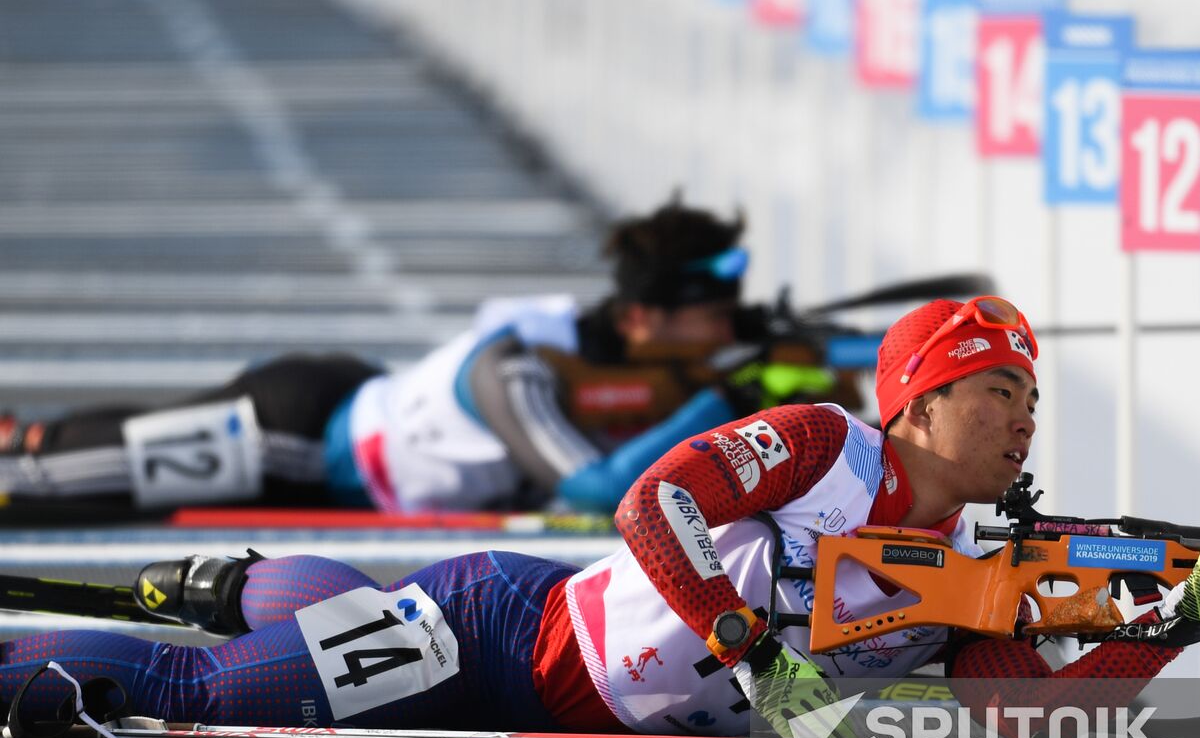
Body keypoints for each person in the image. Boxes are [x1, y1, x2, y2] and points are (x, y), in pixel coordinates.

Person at [0, 296, 1200, 738]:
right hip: (503, 636)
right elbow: (649, 499)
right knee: (203, 697)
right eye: (996, 391)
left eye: (1032, 399)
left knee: (280, 633)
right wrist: (745, 640)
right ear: (918, 401)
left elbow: (1016, 722)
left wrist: (1172, 620)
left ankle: (250, 581)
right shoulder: (828, 446)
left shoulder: (979, 564)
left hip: (565, 712)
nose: (1021, 420)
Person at [0, 198, 806, 519]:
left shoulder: (614, 363)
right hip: (300, 437)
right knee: (47, 486)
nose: (725, 331)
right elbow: (596, 492)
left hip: (344, 417)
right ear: (640, 318)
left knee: (85, 457)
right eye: (713, 317)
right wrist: (729, 400)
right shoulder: (520, 362)